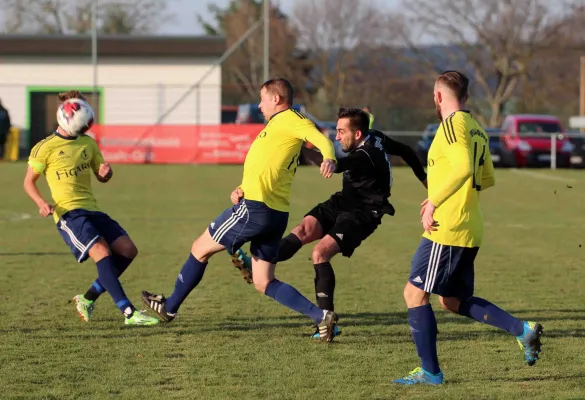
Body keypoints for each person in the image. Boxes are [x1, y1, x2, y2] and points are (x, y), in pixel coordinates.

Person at [141, 78, 342, 341]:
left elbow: (321, 139)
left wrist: (330, 157)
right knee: (263, 281)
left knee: (199, 249)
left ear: (276, 99)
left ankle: (169, 308)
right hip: (274, 212)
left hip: (255, 210)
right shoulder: (277, 127)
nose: (259, 105)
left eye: (262, 99)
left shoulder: (292, 119)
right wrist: (241, 188)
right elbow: (266, 167)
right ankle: (321, 317)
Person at [392, 71, 543, 385]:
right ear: (467, 96)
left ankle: (430, 372)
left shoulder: (450, 125)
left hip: (447, 226)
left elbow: (461, 167)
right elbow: (486, 178)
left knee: (414, 293)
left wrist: (434, 201)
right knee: (452, 301)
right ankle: (522, 330)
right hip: (470, 224)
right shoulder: (477, 128)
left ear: (438, 96)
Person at [231, 108, 428, 339]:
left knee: (319, 253)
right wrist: (424, 178)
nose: (336, 136)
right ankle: (258, 264)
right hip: (343, 200)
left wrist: (310, 151)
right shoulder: (376, 136)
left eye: (341, 132)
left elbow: (342, 164)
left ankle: (327, 322)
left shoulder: (369, 153)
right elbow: (405, 150)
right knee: (303, 230)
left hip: (365, 212)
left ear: (357, 134)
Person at [23, 90, 159, 326]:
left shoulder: (88, 143)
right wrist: (41, 203)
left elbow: (101, 175)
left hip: (92, 209)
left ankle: (87, 299)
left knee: (128, 251)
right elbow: (28, 181)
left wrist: (106, 173)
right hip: (68, 213)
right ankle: (128, 312)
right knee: (102, 253)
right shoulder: (45, 147)